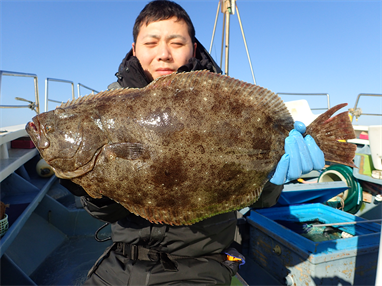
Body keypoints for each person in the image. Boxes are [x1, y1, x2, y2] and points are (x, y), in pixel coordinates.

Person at [60, 1, 324, 285]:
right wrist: (90, 189)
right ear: (135, 49)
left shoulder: (224, 103)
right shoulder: (106, 108)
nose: (163, 54)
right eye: (151, 43)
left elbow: (256, 200)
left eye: (176, 42)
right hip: (120, 261)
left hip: (202, 264)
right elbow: (106, 210)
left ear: (193, 48)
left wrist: (272, 179)